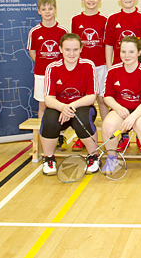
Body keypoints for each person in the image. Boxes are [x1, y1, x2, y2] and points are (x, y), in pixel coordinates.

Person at [39, 33, 100, 176]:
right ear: (60, 49)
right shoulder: (52, 67)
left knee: (82, 119)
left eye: (75, 49)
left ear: (81, 49)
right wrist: (63, 107)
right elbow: (49, 99)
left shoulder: (88, 65)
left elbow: (91, 97)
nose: (71, 53)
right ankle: (48, 158)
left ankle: (93, 156)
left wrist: (70, 107)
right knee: (49, 119)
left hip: (82, 106)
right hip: (60, 107)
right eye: (67, 49)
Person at [104, 0, 141, 153]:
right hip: (119, 69)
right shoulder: (112, 18)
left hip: (138, 66)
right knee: (121, 103)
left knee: (138, 100)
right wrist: (110, 67)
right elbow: (109, 45)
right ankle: (123, 138)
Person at [101, 36, 141, 176]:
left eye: (131, 52)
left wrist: (133, 117)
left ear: (139, 52)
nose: (127, 56)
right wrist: (119, 108)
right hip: (120, 108)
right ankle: (111, 159)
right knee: (108, 124)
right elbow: (107, 97)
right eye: (123, 52)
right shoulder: (113, 71)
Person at [27, 0, 69, 149]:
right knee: (43, 105)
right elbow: (32, 52)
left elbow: (67, 52)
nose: (47, 12)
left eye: (50, 8)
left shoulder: (62, 30)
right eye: (43, 9)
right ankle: (43, 137)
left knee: (59, 105)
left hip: (59, 75)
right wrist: (43, 65)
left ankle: (60, 136)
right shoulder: (35, 31)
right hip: (41, 75)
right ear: (39, 11)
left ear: (55, 10)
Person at [71, 0, 108, 152]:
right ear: (82, 0)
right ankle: (83, 135)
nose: (91, 0)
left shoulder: (105, 20)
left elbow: (108, 45)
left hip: (101, 66)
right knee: (84, 102)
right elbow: (73, 46)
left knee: (102, 99)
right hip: (83, 68)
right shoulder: (76, 20)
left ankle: (108, 134)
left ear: (99, 0)